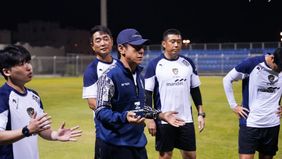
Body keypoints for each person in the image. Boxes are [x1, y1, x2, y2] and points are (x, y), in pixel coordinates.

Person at [94, 28, 185, 159]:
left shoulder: (139, 76)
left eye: (142, 47)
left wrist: (160, 115)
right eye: (136, 47)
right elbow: (101, 111)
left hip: (137, 144)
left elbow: (139, 108)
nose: (141, 51)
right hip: (114, 145)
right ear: (121, 49)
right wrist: (124, 117)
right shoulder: (109, 76)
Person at [0, 45, 82, 159]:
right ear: (7, 71)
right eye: (21, 64)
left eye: (28, 62)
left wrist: (55, 135)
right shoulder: (2, 97)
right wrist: (27, 130)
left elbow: (41, 130)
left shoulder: (34, 96)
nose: (29, 67)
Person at [144, 28, 205, 159]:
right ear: (164, 44)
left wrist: (200, 113)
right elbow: (147, 94)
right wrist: (150, 119)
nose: (176, 45)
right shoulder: (154, 65)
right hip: (164, 119)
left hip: (186, 119)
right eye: (172, 41)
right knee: (165, 156)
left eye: (179, 41)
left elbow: (195, 90)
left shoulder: (188, 63)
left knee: (190, 156)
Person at [223, 48, 282, 159]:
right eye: (278, 68)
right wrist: (234, 106)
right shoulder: (251, 64)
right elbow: (227, 79)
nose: (279, 71)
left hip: (272, 124)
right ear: (272, 58)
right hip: (250, 123)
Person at [82, 25, 117, 111]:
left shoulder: (121, 65)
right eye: (98, 40)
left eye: (106, 39)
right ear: (93, 46)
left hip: (126, 120)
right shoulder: (91, 70)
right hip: (105, 122)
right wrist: (115, 115)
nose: (103, 43)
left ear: (112, 41)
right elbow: (92, 103)